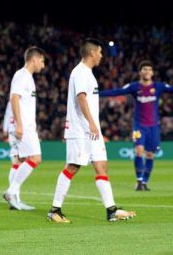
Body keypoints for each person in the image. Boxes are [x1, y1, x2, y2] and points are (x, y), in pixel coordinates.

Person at [47, 38, 136, 223]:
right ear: (91, 53)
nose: (102, 56)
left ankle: (111, 210)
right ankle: (55, 210)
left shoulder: (88, 74)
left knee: (102, 166)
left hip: (92, 130)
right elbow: (81, 98)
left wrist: (94, 125)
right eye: (100, 52)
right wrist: (92, 123)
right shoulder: (79, 72)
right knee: (72, 166)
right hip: (81, 128)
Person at [100, 60, 173, 191]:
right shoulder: (134, 87)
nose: (147, 72)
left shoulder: (159, 86)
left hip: (153, 126)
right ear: (140, 72)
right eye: (144, 69)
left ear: (152, 73)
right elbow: (116, 92)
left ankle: (145, 182)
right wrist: (97, 93)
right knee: (139, 150)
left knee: (150, 154)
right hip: (139, 125)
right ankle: (139, 181)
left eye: (149, 70)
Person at [2, 46, 46, 211]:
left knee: (18, 161)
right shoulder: (23, 75)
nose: (43, 64)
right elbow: (14, 98)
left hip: (20, 124)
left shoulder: (26, 77)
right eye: (42, 60)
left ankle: (15, 200)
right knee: (35, 158)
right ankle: (12, 192)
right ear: (34, 59)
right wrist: (19, 124)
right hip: (23, 126)